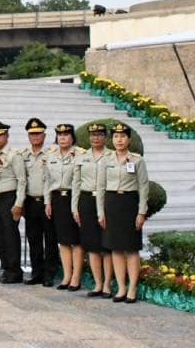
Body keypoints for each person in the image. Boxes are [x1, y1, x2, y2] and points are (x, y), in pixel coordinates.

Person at [97, 122, 149, 304]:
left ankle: (132, 287)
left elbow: (143, 187)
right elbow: (101, 187)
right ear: (112, 140)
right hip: (111, 204)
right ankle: (120, 287)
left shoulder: (137, 160)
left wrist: (141, 212)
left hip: (129, 204)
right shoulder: (106, 160)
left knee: (131, 248)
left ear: (129, 139)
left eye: (123, 137)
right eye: (116, 137)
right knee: (115, 248)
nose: (119, 140)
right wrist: (100, 212)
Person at [0, 120, 26, 284]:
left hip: (9, 198)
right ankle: (6, 268)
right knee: (0, 237)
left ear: (6, 135)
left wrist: (18, 204)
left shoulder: (14, 155)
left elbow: (21, 180)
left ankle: (15, 271)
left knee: (10, 236)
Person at [74, 122, 114, 298]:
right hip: (86, 200)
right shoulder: (82, 156)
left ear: (105, 137)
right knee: (92, 246)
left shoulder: (112, 156)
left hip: (106, 201)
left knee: (107, 245)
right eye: (93, 135)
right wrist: (74, 207)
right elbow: (76, 183)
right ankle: (98, 284)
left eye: (99, 135)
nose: (95, 138)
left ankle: (107, 284)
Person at [20, 117, 59, 286]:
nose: (35, 137)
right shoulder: (24, 155)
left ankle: (50, 273)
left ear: (44, 135)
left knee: (50, 238)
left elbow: (52, 179)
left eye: (38, 134)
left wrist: (48, 202)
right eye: (32, 134)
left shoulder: (51, 154)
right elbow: (22, 180)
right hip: (30, 201)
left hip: (47, 201)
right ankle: (37, 272)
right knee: (33, 238)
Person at [48, 123, 85, 291]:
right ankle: (67, 276)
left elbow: (80, 181)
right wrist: (48, 202)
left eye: (66, 134)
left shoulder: (80, 154)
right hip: (57, 199)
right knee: (63, 240)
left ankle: (76, 277)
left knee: (76, 241)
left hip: (73, 198)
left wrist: (75, 207)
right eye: (60, 135)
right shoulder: (51, 155)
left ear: (72, 137)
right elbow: (46, 180)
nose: (62, 138)